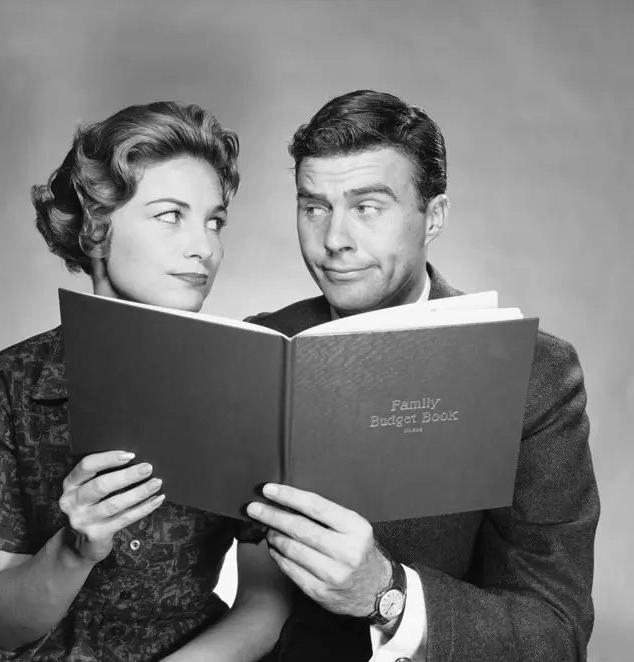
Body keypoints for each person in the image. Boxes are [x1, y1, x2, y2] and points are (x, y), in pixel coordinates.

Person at [243, 90, 600, 661]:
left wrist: (387, 595)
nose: (334, 240)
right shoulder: (255, 346)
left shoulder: (535, 375)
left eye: (367, 207)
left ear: (433, 217)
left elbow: (556, 631)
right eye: (314, 207)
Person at [0, 101, 290, 661]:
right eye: (169, 215)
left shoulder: (250, 384)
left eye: (214, 220)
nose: (204, 246)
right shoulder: (8, 385)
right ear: (96, 230)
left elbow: (265, 606)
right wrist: (75, 547)